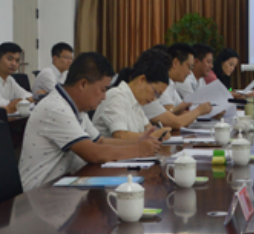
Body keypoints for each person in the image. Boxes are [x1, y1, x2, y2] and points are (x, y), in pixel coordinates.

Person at [19, 53, 162, 192]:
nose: (104, 97)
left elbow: (99, 141)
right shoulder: (56, 108)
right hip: (40, 194)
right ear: (83, 84)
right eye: (102, 90)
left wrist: (137, 142)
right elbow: (93, 152)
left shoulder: (77, 108)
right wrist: (138, 150)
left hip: (65, 186)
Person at [93, 60, 171, 140]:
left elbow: (149, 129)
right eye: (156, 93)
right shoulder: (116, 96)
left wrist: (161, 134)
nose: (154, 99)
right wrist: (155, 135)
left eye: (158, 96)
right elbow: (120, 136)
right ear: (141, 79)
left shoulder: (136, 103)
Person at [140, 46, 212, 128]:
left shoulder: (171, 84)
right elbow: (176, 121)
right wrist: (199, 110)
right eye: (189, 67)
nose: (190, 73)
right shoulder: (152, 88)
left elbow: (181, 114)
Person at [0, 42, 34, 107]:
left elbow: (26, 95)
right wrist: (25, 101)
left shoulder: (10, 79)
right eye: (10, 59)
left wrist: (30, 99)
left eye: (17, 60)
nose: (14, 64)